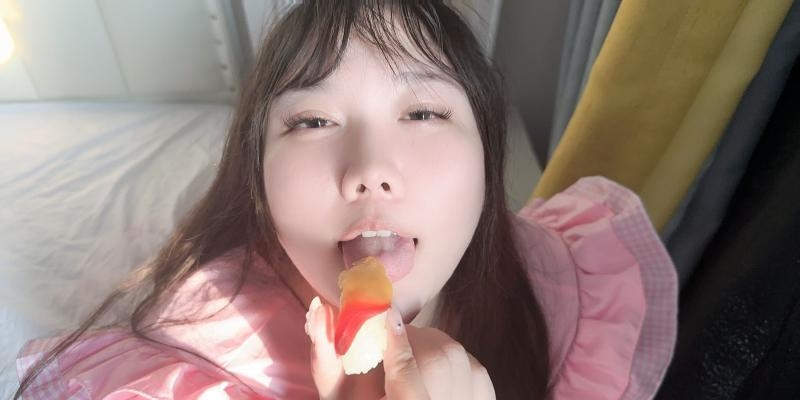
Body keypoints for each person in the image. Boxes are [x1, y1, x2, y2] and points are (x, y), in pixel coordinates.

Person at [14, 1, 678, 399]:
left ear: (487, 156)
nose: (369, 170)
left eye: (422, 112)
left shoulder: (566, 287)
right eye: (312, 121)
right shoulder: (195, 373)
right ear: (258, 177)